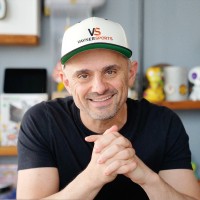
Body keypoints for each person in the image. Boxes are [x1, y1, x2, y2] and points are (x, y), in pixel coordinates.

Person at [16, 17, 200, 200]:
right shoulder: (42, 121)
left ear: (130, 73)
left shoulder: (163, 122)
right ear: (66, 82)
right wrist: (93, 178)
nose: (99, 87)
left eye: (110, 71)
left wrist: (146, 178)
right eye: (83, 75)